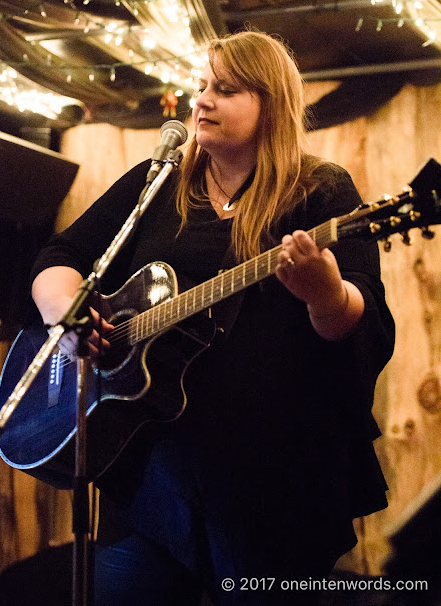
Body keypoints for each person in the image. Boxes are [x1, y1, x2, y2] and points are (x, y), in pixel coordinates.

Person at [30, 31, 395, 605]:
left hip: (272, 491)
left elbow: (365, 324)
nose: (200, 101)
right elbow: (61, 257)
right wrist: (67, 318)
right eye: (201, 85)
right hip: (151, 481)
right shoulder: (158, 185)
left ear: (270, 103)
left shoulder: (321, 191)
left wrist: (325, 294)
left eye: (223, 90)